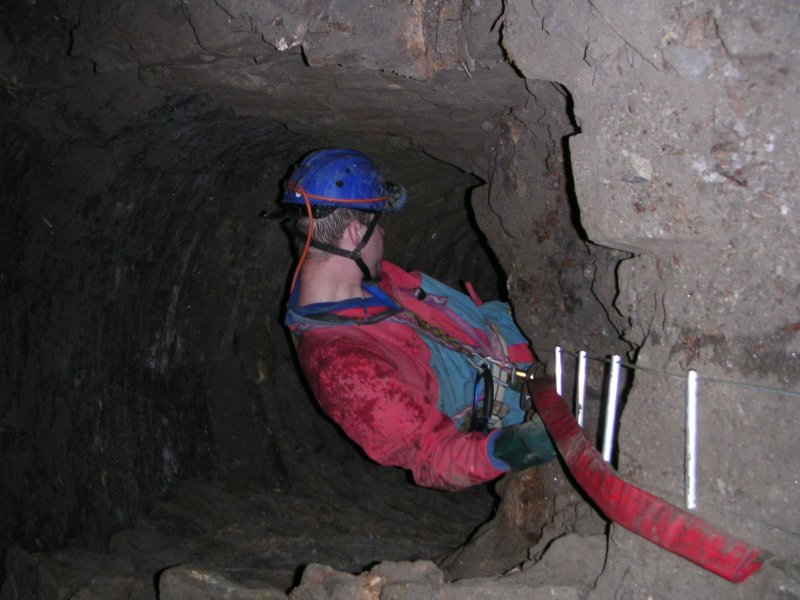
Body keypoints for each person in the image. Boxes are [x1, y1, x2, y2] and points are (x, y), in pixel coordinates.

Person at [278, 148, 557, 491]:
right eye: (378, 224)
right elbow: (433, 457)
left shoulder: (377, 284)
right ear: (354, 234)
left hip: (538, 349)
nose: (383, 235)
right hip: (531, 409)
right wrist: (522, 446)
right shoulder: (345, 369)